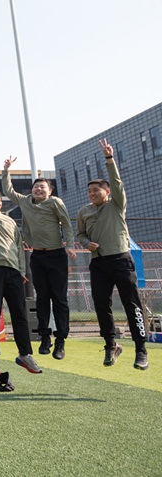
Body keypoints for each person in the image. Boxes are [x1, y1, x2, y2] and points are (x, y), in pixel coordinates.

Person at [76, 138, 148, 370]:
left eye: (96, 190)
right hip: (98, 264)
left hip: (121, 260)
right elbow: (80, 234)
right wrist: (86, 243)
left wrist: (109, 158)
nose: (92, 193)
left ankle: (141, 350)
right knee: (101, 305)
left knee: (131, 304)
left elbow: (117, 182)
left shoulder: (116, 204)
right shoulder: (84, 212)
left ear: (107, 192)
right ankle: (110, 345)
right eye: (89, 191)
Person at [0, 162, 42, 376]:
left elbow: (19, 247)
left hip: (13, 272)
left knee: (19, 313)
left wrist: (22, 271)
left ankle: (25, 354)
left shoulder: (10, 222)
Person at [3, 156, 76, 360]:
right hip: (37, 256)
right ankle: (45, 337)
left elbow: (66, 224)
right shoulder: (26, 201)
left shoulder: (55, 202)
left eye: (42, 187)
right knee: (42, 297)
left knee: (59, 299)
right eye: (36, 187)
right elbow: (8, 191)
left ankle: (60, 340)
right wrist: (6, 170)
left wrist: (70, 245)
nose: (38, 189)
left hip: (56, 255)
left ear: (49, 191)